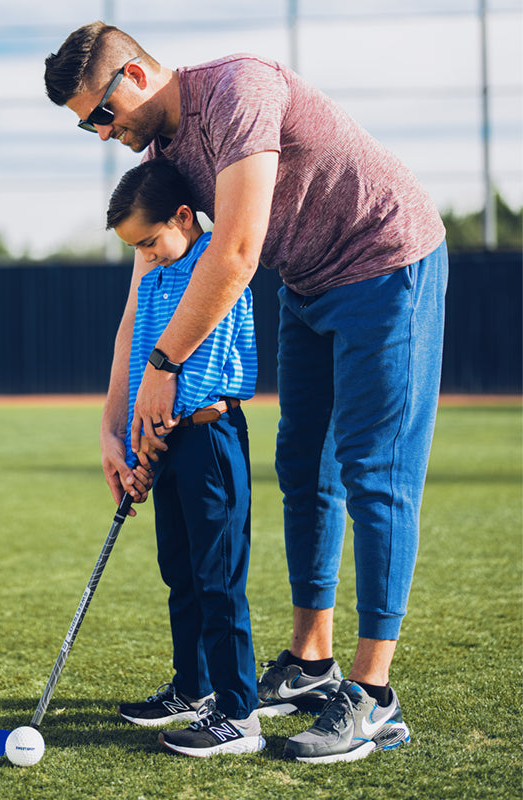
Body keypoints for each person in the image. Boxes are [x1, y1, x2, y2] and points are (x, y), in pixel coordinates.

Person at [45, 23, 448, 764]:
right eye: (87, 127)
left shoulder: (238, 89)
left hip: (387, 260)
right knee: (303, 470)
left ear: (133, 74)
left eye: (101, 115)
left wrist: (167, 368)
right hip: (311, 285)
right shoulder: (163, 158)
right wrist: (113, 421)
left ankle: (373, 695)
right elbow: (145, 297)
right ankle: (310, 663)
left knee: (374, 475)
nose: (103, 134)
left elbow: (235, 252)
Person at [105, 158, 263, 757]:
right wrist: (137, 441)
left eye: (149, 240)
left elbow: (196, 363)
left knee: (218, 578)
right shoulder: (156, 275)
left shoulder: (213, 267)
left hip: (209, 438)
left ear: (181, 216)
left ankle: (238, 715)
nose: (146, 253)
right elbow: (148, 357)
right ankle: (193, 688)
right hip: (168, 443)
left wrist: (154, 434)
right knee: (180, 569)